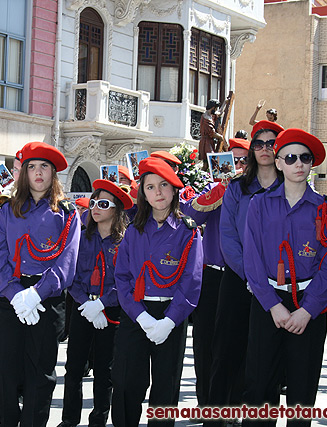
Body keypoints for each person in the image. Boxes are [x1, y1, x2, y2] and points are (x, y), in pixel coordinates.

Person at [242, 128, 327, 426]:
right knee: (259, 388)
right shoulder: (259, 204)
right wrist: (272, 304)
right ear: (279, 162)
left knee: (302, 392)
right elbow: (253, 260)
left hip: (308, 306)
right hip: (267, 304)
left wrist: (307, 311)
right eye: (290, 157)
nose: (298, 163)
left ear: (312, 164)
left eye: (305, 158)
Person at [0, 141, 81, 427]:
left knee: (40, 374)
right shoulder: (7, 210)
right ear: (24, 173)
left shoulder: (67, 214)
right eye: (31, 167)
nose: (38, 173)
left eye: (44, 167)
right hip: (11, 299)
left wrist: (36, 295)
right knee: (3, 372)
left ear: (53, 174)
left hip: (46, 300)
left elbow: (67, 262)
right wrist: (16, 295)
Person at [112, 157, 203, 426]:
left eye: (164, 185)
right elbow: (123, 277)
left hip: (170, 315)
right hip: (137, 312)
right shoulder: (133, 231)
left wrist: (169, 320)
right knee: (127, 383)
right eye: (150, 187)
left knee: (165, 387)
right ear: (143, 193)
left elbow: (192, 280)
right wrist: (140, 316)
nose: (158, 193)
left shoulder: (189, 232)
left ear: (174, 189)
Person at [207, 120, 284, 426]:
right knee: (226, 351)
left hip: (276, 285)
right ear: (251, 149)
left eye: (271, 143)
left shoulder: (290, 186)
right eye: (259, 143)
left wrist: (267, 280)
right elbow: (228, 237)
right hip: (239, 281)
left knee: (265, 357)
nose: (265, 149)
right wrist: (251, 277)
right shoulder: (237, 188)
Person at [180, 137, 250, 409]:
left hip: (244, 276)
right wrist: (221, 190)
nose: (240, 166)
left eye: (245, 160)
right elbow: (190, 218)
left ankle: (234, 402)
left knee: (239, 340)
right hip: (212, 275)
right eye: (235, 160)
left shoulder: (256, 192)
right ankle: (207, 403)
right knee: (205, 340)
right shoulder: (215, 188)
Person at [59, 179, 132, 427]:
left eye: (102, 203)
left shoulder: (126, 241)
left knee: (104, 371)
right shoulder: (80, 237)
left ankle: (98, 419)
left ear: (116, 209)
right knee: (74, 367)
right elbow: (72, 275)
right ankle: (69, 419)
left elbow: (126, 280)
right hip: (82, 308)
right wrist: (87, 304)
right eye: (92, 203)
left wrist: (102, 304)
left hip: (111, 312)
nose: (95, 208)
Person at [199, 99, 223, 170]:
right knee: (209, 161)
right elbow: (212, 133)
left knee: (209, 162)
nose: (216, 110)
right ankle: (202, 178)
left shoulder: (210, 115)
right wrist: (220, 136)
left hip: (209, 141)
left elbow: (220, 113)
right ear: (213, 107)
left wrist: (225, 102)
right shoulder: (206, 118)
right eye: (216, 108)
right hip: (206, 142)